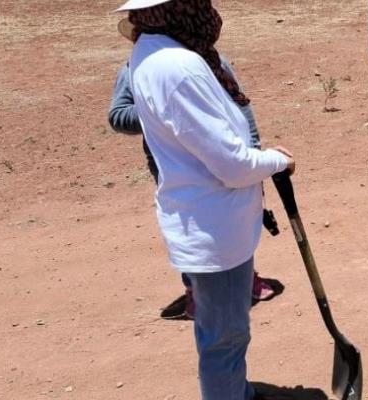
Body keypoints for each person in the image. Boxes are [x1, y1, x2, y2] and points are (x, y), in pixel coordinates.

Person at [115, 0, 295, 398]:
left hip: (200, 216)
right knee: (226, 339)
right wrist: (274, 161)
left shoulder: (151, 52)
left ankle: (236, 391)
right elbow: (230, 164)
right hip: (215, 228)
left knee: (217, 331)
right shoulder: (179, 68)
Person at [108, 54, 279, 319]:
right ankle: (195, 289)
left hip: (224, 154)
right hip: (173, 166)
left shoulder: (210, 60)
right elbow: (118, 115)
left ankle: (246, 279)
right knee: (189, 225)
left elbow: (240, 102)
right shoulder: (134, 69)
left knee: (236, 217)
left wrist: (253, 148)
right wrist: (163, 105)